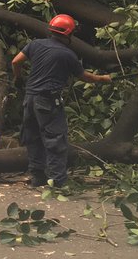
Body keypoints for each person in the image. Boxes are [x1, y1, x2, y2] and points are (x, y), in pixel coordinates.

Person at [11, 14, 113, 188]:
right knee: (55, 140)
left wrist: (18, 78)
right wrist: (103, 78)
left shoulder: (35, 44)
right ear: (69, 34)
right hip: (48, 101)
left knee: (33, 138)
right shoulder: (67, 54)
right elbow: (85, 77)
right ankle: (58, 182)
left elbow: (15, 61)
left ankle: (37, 178)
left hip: (29, 99)